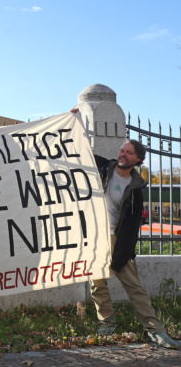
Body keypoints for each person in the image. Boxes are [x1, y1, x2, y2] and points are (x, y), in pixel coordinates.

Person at [72, 108, 177, 348]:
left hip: (117, 239)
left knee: (135, 287)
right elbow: (80, 149)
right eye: (122, 150)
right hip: (95, 237)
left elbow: (131, 226)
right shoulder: (103, 168)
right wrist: (75, 120)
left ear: (137, 160)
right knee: (97, 284)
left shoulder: (136, 188)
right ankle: (106, 324)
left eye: (129, 153)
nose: (123, 154)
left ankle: (155, 330)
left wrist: (123, 252)